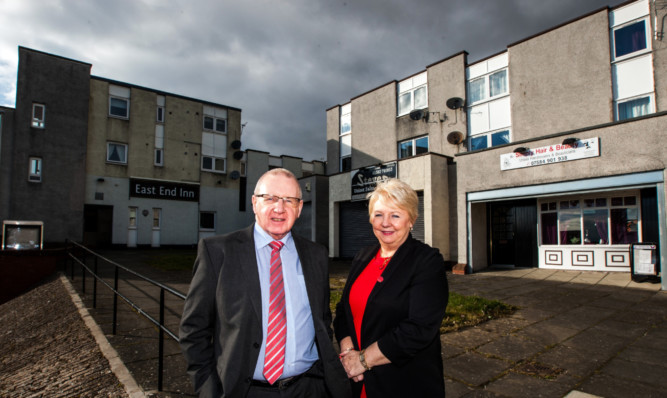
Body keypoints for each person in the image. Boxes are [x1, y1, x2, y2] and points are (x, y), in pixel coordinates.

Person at [180, 168, 351, 398]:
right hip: (245, 391)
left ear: (299, 208)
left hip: (309, 388)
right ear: (254, 203)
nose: (279, 208)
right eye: (270, 198)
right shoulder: (218, 252)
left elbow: (322, 319)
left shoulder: (316, 255)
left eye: (289, 200)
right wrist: (209, 391)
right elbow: (194, 330)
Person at [334, 179, 449, 397]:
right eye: (378, 214)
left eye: (395, 215)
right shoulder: (362, 257)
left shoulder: (426, 260)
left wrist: (362, 360)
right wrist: (348, 352)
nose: (386, 223)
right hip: (358, 380)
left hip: (403, 382)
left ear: (411, 220)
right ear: (370, 219)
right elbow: (343, 311)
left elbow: (419, 328)